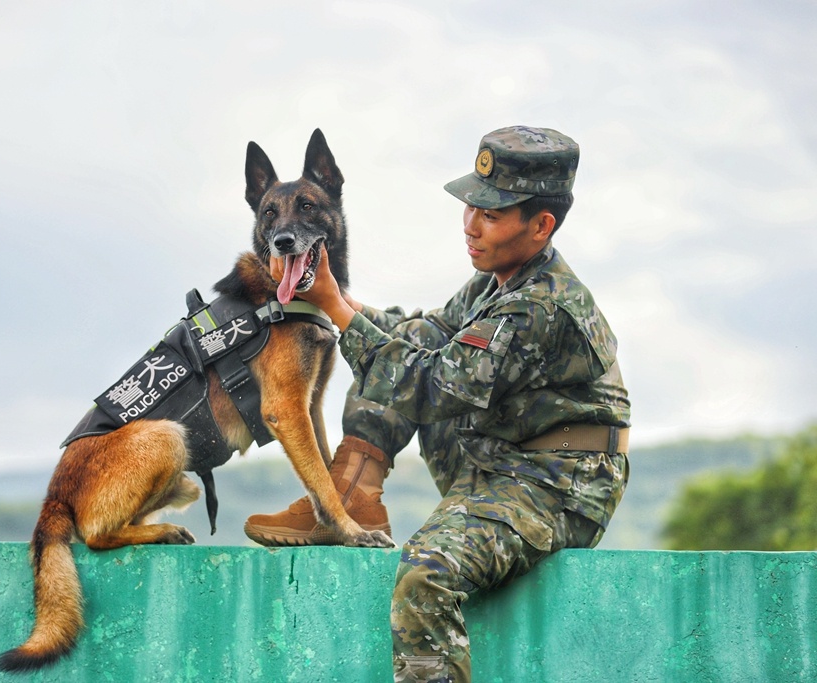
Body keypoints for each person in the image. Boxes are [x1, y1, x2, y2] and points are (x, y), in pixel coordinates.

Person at [244, 125, 631, 682]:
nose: (472, 226)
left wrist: (333, 304)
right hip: (497, 454)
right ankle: (349, 503)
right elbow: (421, 340)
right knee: (401, 343)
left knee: (426, 574)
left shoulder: (543, 307)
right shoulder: (496, 281)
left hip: (557, 482)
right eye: (471, 207)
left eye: (492, 215)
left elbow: (431, 385)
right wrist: (329, 299)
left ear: (541, 225)